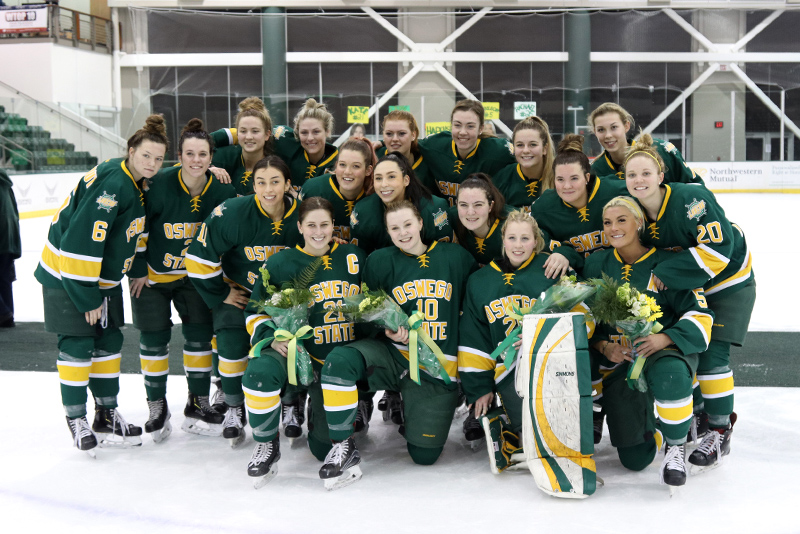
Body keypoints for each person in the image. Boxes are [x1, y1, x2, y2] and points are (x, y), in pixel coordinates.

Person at [318, 200, 477, 489]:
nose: (402, 232)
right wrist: (386, 331)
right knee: (339, 361)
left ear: (419, 223)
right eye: (394, 228)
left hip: (435, 366)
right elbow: (365, 317)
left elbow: (474, 311)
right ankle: (342, 445)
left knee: (424, 455)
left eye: (407, 224)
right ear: (388, 232)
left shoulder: (456, 257)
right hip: (393, 355)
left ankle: (412, 408)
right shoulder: (379, 261)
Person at [34, 115, 169, 454]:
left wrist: (138, 267)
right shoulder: (115, 183)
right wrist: (87, 297)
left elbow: (134, 232)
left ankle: (106, 415)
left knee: (109, 341)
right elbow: (82, 241)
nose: (152, 164)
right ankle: (76, 418)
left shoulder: (137, 182)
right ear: (131, 151)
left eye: (158, 158)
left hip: (100, 280)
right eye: (145, 156)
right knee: (79, 344)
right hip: (69, 277)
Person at [623, 134, 755, 470]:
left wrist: (665, 271)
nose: (639, 180)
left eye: (646, 174)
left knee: (712, 356)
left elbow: (717, 251)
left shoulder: (691, 199)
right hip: (688, 285)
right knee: (685, 351)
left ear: (661, 175)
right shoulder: (636, 210)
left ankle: (720, 430)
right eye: (631, 175)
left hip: (728, 281)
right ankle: (696, 415)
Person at [583, 196, 714, 489]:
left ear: (639, 222)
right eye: (607, 222)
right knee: (635, 459)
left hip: (664, 353)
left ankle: (675, 445)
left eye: (621, 220)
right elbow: (586, 321)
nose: (613, 228)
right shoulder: (595, 264)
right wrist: (605, 347)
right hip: (621, 365)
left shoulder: (667, 261)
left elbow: (700, 312)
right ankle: (654, 428)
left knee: (669, 373)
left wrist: (664, 337)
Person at [241, 197, 367, 486]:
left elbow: (372, 303)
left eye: (324, 224)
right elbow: (254, 312)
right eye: (311, 225)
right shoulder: (280, 263)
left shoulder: (354, 257)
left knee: (321, 448)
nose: (318, 231)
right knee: (258, 372)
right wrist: (270, 336)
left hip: (337, 363)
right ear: (299, 226)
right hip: (296, 356)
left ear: (334, 225)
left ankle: (331, 418)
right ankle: (266, 444)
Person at [128, 119, 236, 442]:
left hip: (196, 280)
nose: (196, 160)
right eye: (189, 153)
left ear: (211, 157)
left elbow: (229, 238)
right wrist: (136, 267)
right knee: (153, 340)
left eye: (203, 154)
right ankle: (156, 404)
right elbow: (135, 226)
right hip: (153, 278)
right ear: (179, 155)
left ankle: (198, 401)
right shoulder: (158, 184)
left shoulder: (222, 190)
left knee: (200, 339)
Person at [458, 209, 595, 460]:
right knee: (531, 437)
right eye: (512, 238)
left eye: (525, 239)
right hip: (509, 373)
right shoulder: (480, 281)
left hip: (553, 367)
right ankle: (505, 424)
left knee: (557, 437)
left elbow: (586, 319)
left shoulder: (552, 270)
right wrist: (478, 388)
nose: (518, 245)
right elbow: (473, 338)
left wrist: (543, 336)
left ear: (536, 241)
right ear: (503, 240)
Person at [185, 156, 302, 448]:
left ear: (288, 184)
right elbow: (199, 258)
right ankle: (235, 407)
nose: (268, 189)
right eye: (261, 182)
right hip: (240, 292)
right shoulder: (232, 213)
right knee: (230, 346)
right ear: (253, 185)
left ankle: (290, 403)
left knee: (291, 344)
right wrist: (221, 293)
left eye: (275, 181)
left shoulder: (303, 214)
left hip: (286, 301)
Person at [531, 134, 629, 272]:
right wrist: (563, 253)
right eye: (560, 179)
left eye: (574, 178)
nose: (566, 186)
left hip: (620, 270)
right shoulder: (542, 207)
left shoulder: (616, 191)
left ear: (587, 177)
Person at [452, 172, 573, 273]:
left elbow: (562, 248)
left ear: (490, 206)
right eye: (463, 205)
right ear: (456, 204)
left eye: (478, 205)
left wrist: (562, 254)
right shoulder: (452, 218)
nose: (470, 212)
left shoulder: (512, 222)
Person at [418, 99, 515, 205]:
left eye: (470, 126)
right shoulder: (434, 145)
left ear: (481, 129)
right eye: (457, 125)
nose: (462, 132)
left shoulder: (498, 150)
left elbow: (525, 157)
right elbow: (409, 146)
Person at [350, 153, 452, 253]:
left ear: (406, 180)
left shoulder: (435, 208)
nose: (384, 184)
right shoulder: (362, 211)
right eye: (378, 178)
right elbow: (360, 256)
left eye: (391, 177)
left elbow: (444, 254)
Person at [589, 102, 702, 185]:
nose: (608, 135)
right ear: (595, 132)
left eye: (614, 127)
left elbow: (695, 187)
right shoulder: (596, 171)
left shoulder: (662, 151)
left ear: (626, 126)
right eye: (601, 130)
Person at [299, 136, 376, 243]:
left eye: (356, 166)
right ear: (336, 165)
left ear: (368, 170)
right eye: (342, 165)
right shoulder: (314, 189)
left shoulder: (375, 197)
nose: (347, 171)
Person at [209, 97, 274, 197]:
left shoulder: (275, 168)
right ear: (237, 134)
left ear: (267, 135)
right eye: (243, 131)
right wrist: (208, 169)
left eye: (255, 131)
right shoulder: (224, 156)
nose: (248, 137)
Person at [273, 98, 339, 191]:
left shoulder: (339, 161)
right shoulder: (287, 143)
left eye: (316, 132)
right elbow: (260, 131)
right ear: (297, 133)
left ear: (327, 132)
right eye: (304, 132)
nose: (310, 138)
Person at [492, 116, 556, 210]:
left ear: (544, 149)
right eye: (520, 145)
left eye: (533, 144)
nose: (525, 150)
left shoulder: (558, 177)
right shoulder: (502, 178)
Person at [375, 110, 437, 195]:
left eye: (401, 133)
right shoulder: (375, 156)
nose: (395, 139)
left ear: (413, 135)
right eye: (389, 134)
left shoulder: (427, 159)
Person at [0, 168, 20, 328]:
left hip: (2, 237)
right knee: (4, 279)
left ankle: (3, 313)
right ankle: (7, 317)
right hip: (9, 238)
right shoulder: (6, 184)